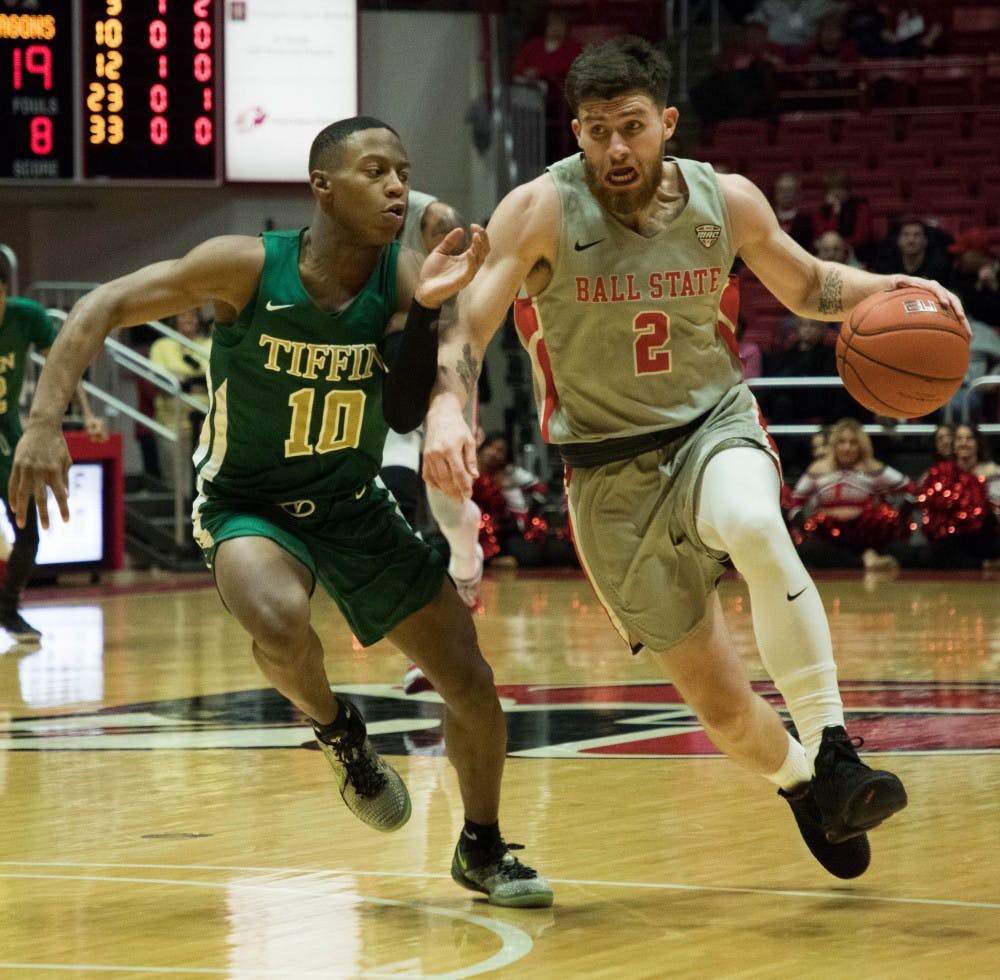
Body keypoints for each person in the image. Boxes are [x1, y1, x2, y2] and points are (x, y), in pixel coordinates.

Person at [420, 36, 969, 881]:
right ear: (575, 130)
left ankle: (833, 750)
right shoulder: (538, 210)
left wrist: (910, 296)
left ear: (667, 122)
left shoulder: (728, 199)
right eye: (597, 131)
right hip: (605, 472)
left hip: (712, 426)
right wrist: (450, 405)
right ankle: (803, 787)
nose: (615, 149)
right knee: (720, 706)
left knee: (753, 519)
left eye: (632, 127)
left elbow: (810, 284)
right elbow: (470, 325)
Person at [7, 116, 552, 909]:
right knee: (279, 614)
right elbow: (99, 305)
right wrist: (44, 420)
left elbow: (402, 411)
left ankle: (481, 846)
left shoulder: (402, 278)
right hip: (247, 503)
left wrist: (430, 307)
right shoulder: (247, 267)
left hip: (350, 501)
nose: (397, 184)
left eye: (404, 169)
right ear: (322, 185)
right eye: (375, 170)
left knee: (469, 679)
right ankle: (341, 734)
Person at [384, 191, 486, 696]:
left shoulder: (438, 225)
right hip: (391, 392)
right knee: (397, 508)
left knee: (450, 512)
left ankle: (467, 565)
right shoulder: (366, 247)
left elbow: (466, 339)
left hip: (444, 382)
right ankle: (425, 648)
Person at [0, 266, 107, 643]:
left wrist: (88, 413)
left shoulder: (25, 316)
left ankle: (9, 609)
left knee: (28, 535)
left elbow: (63, 368)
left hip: (9, 435)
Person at [786, 417, 914, 569]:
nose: (847, 448)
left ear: (861, 445)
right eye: (842, 442)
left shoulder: (872, 468)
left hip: (867, 536)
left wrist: (901, 516)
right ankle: (865, 561)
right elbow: (795, 503)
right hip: (829, 538)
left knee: (903, 550)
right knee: (809, 550)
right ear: (834, 444)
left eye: (853, 442)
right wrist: (803, 525)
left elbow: (911, 490)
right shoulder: (818, 469)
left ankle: (863, 559)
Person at [912, 423, 1000, 569]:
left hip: (984, 533)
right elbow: (919, 498)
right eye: (959, 439)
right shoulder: (942, 473)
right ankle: (983, 565)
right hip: (953, 536)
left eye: (969, 438)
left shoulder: (993, 471)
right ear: (954, 445)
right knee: (928, 556)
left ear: (978, 443)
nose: (964, 443)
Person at [149, 307, 212, 495]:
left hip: (209, 426)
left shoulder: (211, 345)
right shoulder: (161, 346)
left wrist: (185, 381)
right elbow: (163, 384)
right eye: (183, 314)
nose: (188, 319)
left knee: (208, 486)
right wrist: (199, 380)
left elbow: (218, 382)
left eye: (192, 315)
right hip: (172, 425)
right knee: (178, 488)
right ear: (174, 319)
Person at [511, 9, 583, 163]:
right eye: (552, 24)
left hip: (556, 100)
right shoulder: (533, 46)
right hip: (528, 94)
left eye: (560, 24)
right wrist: (527, 74)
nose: (556, 28)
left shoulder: (572, 48)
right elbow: (518, 68)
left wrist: (540, 73)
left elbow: (571, 69)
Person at [810, 168, 874, 266]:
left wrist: (840, 248)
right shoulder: (821, 212)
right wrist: (835, 214)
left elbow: (861, 238)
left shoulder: (861, 207)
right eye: (831, 189)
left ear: (847, 189)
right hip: (828, 259)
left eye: (839, 188)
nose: (836, 192)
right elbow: (826, 239)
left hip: (857, 257)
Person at [948, 227, 1000, 328]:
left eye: (962, 254)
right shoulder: (958, 272)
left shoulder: (997, 272)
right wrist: (978, 286)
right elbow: (964, 310)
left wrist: (994, 287)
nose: (959, 258)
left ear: (977, 255)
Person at [771, 173, 815, 251]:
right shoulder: (767, 219)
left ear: (798, 194)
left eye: (790, 190)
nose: (786, 194)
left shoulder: (807, 221)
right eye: (782, 190)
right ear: (775, 194)